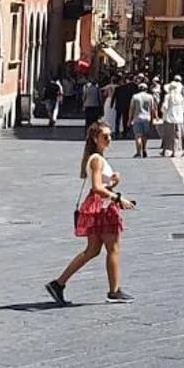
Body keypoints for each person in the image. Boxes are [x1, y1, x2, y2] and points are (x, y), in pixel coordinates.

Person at [46, 122, 138, 305]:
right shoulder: (97, 159)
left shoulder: (96, 158)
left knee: (92, 250)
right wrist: (119, 198)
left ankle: (58, 283)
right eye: (105, 136)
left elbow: (101, 186)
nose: (109, 139)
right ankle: (114, 291)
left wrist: (114, 182)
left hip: (99, 205)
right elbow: (96, 187)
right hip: (103, 208)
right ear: (95, 138)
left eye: (110, 135)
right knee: (112, 249)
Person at [158, 77, 184, 156]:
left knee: (168, 136)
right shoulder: (181, 97)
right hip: (179, 119)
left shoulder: (168, 96)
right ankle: (175, 150)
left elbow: (164, 107)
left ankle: (167, 149)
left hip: (169, 118)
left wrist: (163, 113)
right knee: (177, 136)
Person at [127, 79, 156, 158]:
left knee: (138, 135)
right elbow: (152, 108)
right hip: (147, 118)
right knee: (145, 135)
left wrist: (129, 119)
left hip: (137, 118)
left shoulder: (135, 97)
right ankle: (144, 148)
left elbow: (131, 108)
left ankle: (138, 152)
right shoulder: (150, 97)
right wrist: (153, 119)